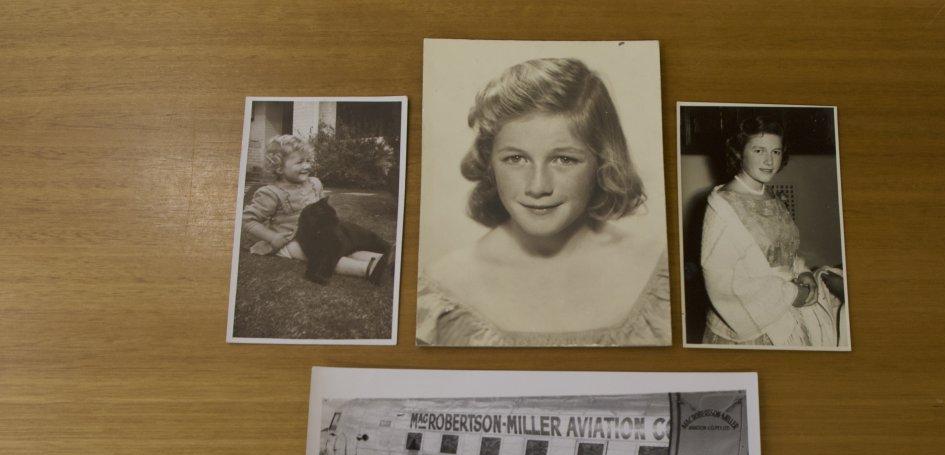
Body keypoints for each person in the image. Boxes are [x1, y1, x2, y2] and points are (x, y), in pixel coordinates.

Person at [417, 57, 671, 347]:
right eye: (516, 159)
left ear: (602, 162)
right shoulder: (444, 289)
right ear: (489, 164)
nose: (538, 187)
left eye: (564, 159)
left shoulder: (658, 272)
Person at [699, 115, 844, 347]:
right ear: (739, 152)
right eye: (759, 151)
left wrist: (804, 272)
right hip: (750, 325)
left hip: (788, 306)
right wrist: (791, 293)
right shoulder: (722, 205)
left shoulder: (773, 196)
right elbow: (721, 279)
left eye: (775, 152)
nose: (769, 161)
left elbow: (786, 251)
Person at [241, 134, 378, 279]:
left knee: (340, 244)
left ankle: (378, 258)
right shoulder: (271, 193)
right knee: (323, 254)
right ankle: (365, 269)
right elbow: (248, 220)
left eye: (308, 161)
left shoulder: (314, 184)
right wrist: (273, 237)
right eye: (300, 162)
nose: (306, 165)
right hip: (290, 241)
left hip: (319, 233)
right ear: (279, 168)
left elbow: (322, 211)